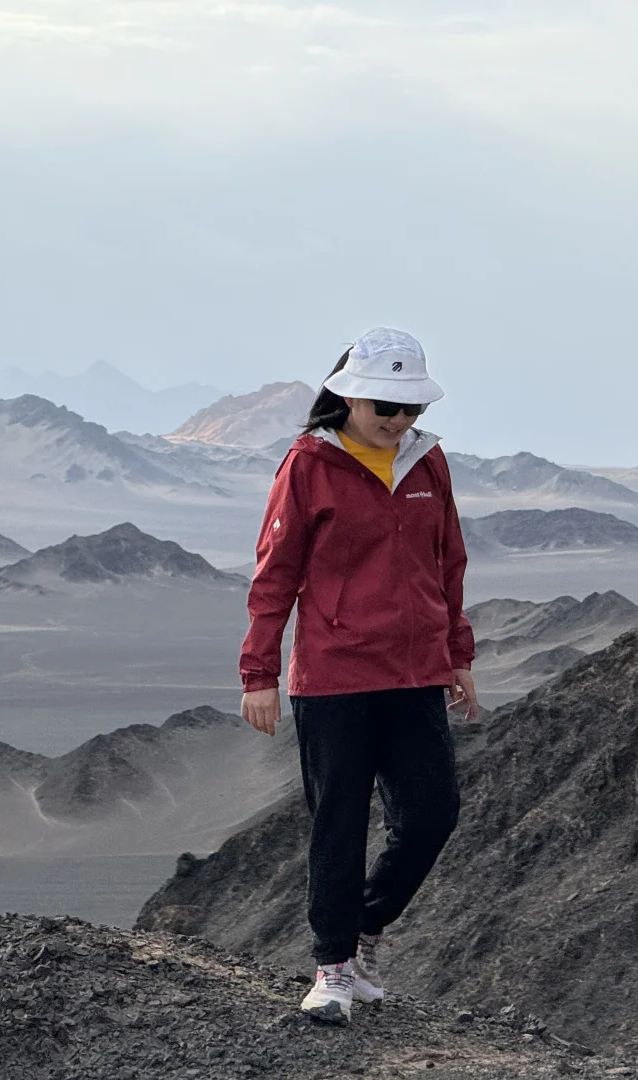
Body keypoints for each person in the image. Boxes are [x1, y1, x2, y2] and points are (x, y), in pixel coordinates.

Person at [239, 327, 477, 1025]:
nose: (399, 421)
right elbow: (274, 572)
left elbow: (448, 564)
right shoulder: (309, 464)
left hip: (414, 674)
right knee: (338, 824)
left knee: (433, 814)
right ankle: (334, 967)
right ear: (347, 398)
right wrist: (258, 671)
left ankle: (366, 931)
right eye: (386, 407)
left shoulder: (428, 465)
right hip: (335, 676)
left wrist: (457, 655)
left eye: (410, 409)